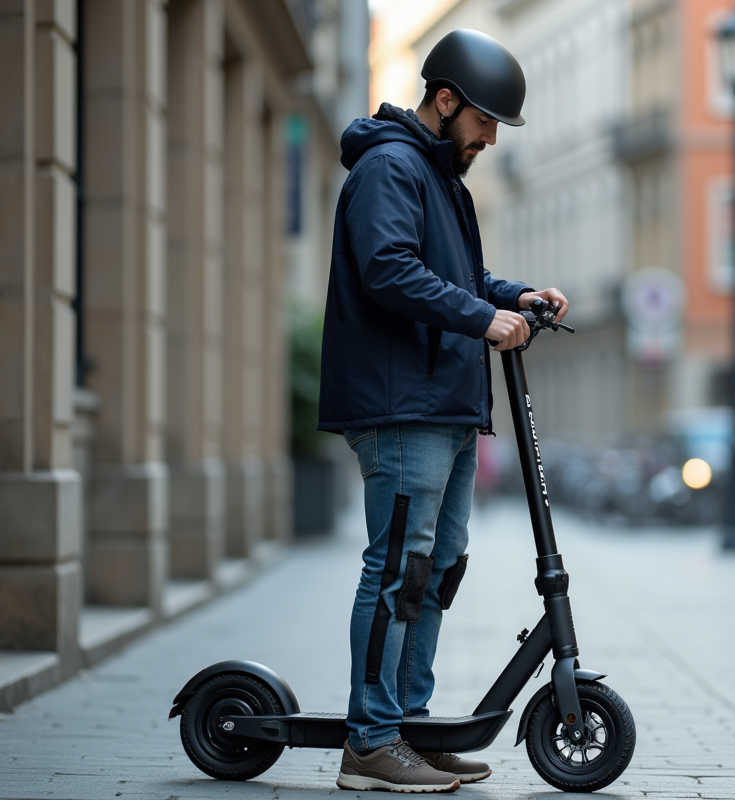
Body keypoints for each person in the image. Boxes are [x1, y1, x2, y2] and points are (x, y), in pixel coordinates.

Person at [317, 29, 569, 793]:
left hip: (446, 407)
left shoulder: (440, 177)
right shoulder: (391, 168)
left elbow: (460, 276)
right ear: (447, 100)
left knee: (434, 571)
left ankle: (410, 729)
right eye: (486, 120)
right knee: (397, 571)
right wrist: (481, 319)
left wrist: (514, 296)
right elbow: (390, 269)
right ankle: (370, 741)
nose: (491, 138)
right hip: (403, 408)